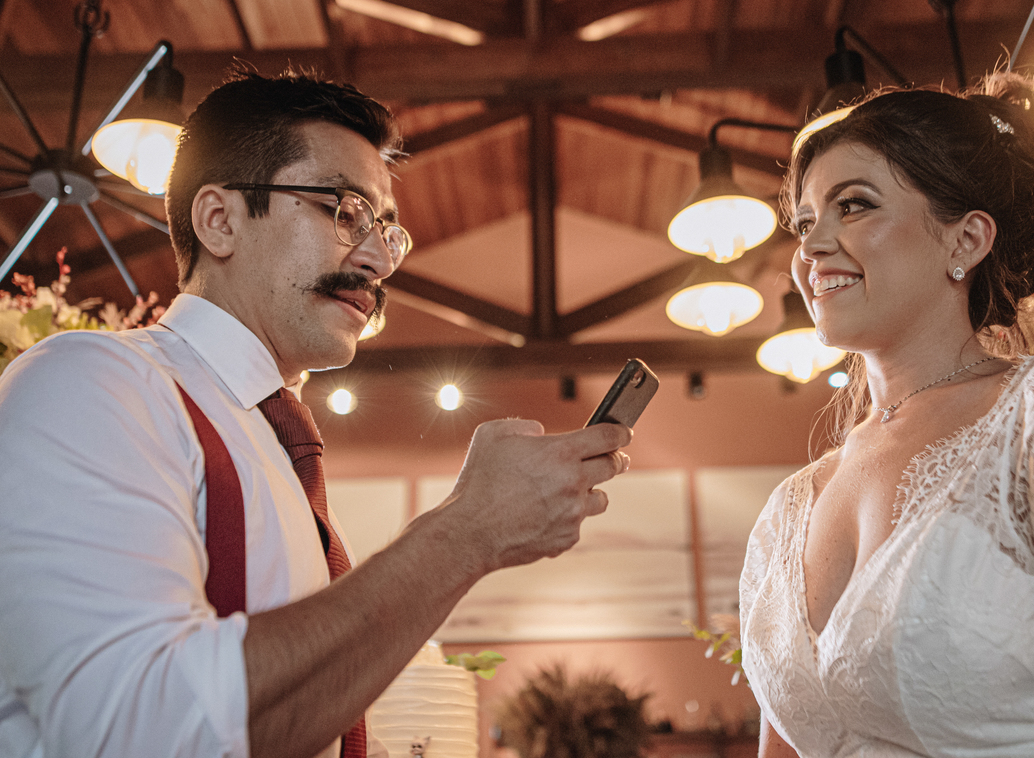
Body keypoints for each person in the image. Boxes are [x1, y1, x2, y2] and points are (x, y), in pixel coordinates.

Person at [0, 70, 632, 758]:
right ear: (219, 219)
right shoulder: (94, 384)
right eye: (343, 209)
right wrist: (465, 532)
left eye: (386, 229)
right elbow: (140, 729)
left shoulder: (279, 447)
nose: (376, 260)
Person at [738, 74, 1034, 758]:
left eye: (854, 206)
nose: (811, 248)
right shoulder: (786, 509)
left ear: (967, 240)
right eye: (805, 222)